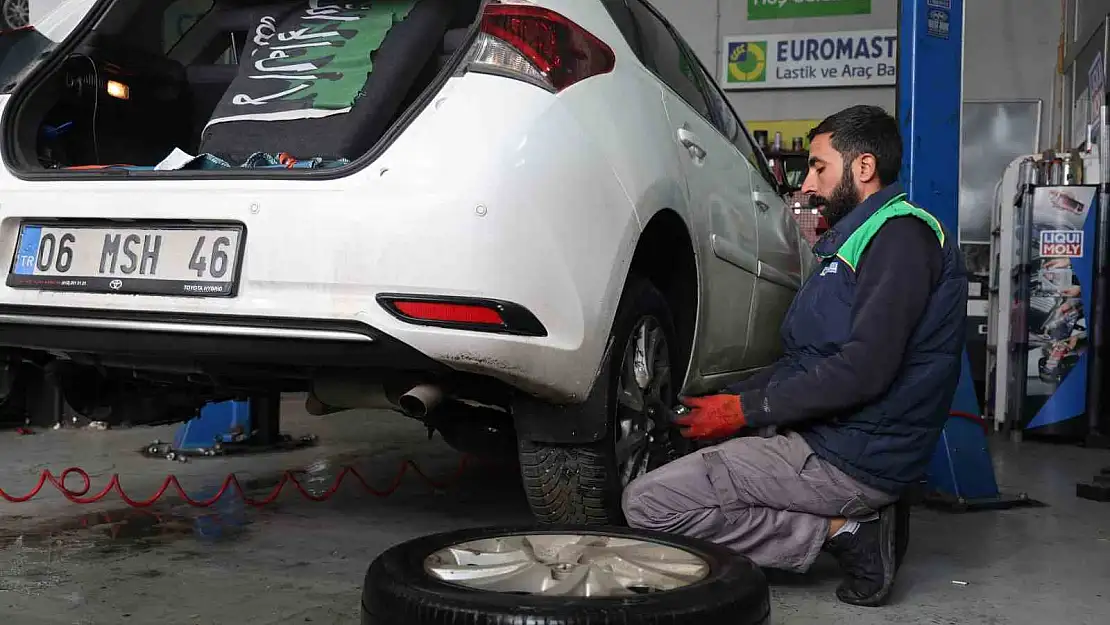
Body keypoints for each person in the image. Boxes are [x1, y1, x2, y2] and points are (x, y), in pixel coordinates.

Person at [622, 105, 968, 607]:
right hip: (840, 436)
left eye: (819, 167)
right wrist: (728, 399)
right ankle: (851, 519)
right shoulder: (856, 243)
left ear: (863, 168)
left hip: (850, 456)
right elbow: (810, 359)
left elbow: (864, 370)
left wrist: (742, 412)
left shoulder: (901, 238)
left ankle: (844, 531)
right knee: (696, 449)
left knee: (648, 505)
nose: (807, 183)